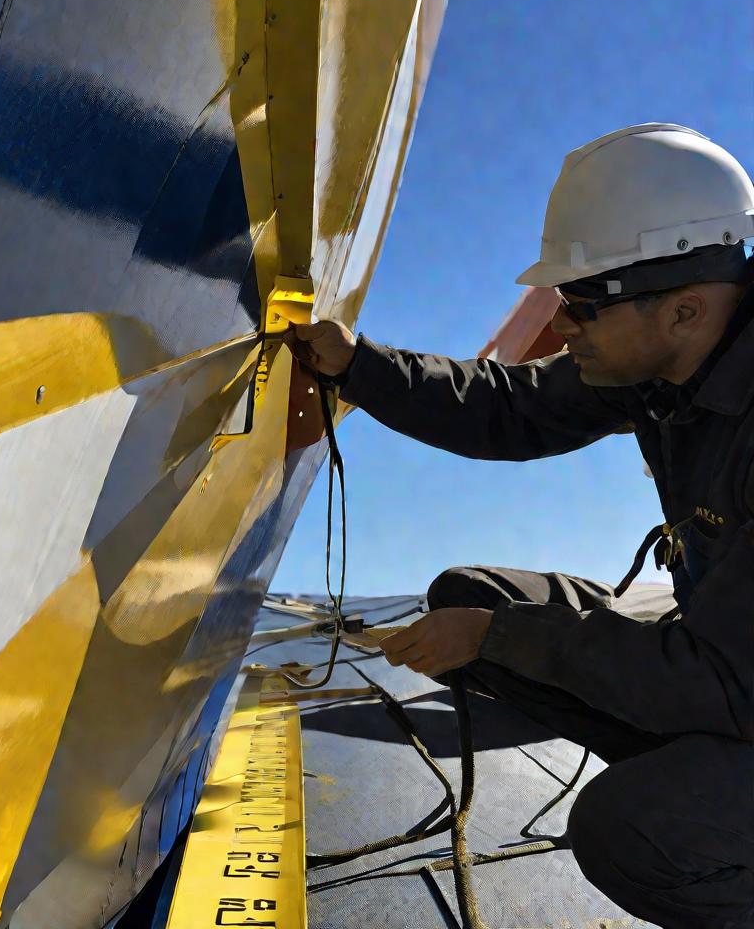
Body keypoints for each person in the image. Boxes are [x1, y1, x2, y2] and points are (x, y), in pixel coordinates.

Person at [285, 124, 754, 928]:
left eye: (581, 306)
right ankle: (693, 780)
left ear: (683, 309)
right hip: (728, 659)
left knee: (629, 831)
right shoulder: (666, 359)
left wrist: (498, 638)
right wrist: (356, 364)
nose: (562, 325)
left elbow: (729, 682)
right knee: (469, 598)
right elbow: (513, 406)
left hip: (738, 679)